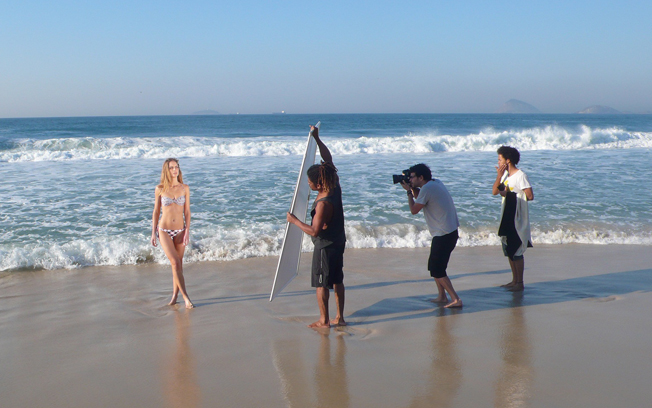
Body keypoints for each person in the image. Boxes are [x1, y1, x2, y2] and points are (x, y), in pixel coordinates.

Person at [287, 125, 346, 328]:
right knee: (337, 280)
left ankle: (324, 320)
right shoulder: (334, 183)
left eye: (310, 182)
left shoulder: (323, 204)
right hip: (339, 240)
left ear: (319, 184)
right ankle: (340, 318)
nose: (308, 184)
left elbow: (314, 231)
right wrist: (318, 139)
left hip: (325, 246)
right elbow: (328, 160)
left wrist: (294, 221)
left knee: (321, 283)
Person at [401, 164, 462, 308]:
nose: (410, 179)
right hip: (448, 232)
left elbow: (414, 210)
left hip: (444, 234)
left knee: (437, 269)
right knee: (435, 267)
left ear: (421, 177)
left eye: (412, 177)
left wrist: (408, 192)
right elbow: (421, 198)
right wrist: (412, 188)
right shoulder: (435, 183)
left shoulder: (427, 188)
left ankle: (455, 299)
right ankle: (442, 296)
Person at [151, 158, 194, 309]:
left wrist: (187, 231)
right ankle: (186, 297)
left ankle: (175, 296)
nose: (175, 170)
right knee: (175, 262)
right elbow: (156, 211)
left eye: (176, 167)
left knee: (178, 265)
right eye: (171, 168)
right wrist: (153, 232)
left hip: (180, 230)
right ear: (166, 170)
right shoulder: (160, 189)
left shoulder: (184, 188)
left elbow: (187, 212)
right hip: (164, 230)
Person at [492, 146, 534, 292]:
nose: (498, 162)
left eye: (500, 159)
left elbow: (530, 196)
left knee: (516, 250)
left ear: (508, 160)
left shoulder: (520, 175)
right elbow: (495, 191)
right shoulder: (505, 176)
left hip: (517, 216)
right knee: (509, 249)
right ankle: (514, 280)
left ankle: (520, 282)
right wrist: (499, 176)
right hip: (507, 214)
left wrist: (511, 194)